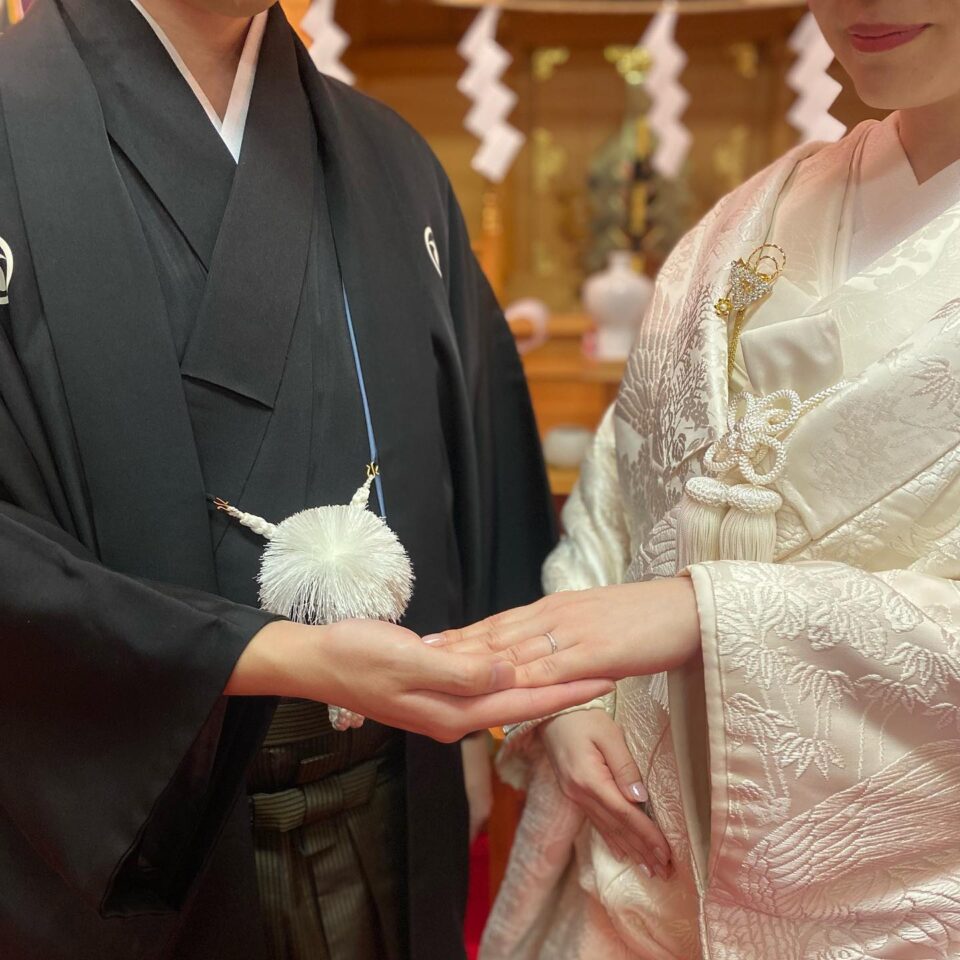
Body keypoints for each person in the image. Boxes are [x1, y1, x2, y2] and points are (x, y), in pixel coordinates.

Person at [0, 2, 614, 958]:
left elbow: (484, 466)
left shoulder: (389, 160)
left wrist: (540, 698)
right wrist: (259, 656)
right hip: (117, 845)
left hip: (393, 807)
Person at [434, 2, 960, 957]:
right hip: (641, 872)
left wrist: (705, 612)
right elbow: (620, 495)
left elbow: (666, 595)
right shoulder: (752, 215)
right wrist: (572, 702)